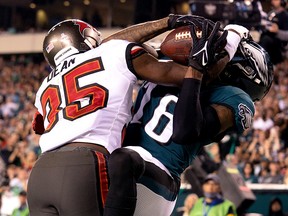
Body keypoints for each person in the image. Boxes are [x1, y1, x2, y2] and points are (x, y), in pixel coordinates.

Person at [27, 15, 230, 216]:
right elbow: (184, 76)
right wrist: (214, 57)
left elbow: (41, 125)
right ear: (86, 40)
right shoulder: (113, 52)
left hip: (40, 176)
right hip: (83, 164)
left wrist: (166, 24)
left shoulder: (44, 85)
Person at [103, 22, 273, 216]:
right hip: (120, 171)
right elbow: (107, 49)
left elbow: (184, 131)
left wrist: (197, 70)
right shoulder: (168, 62)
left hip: (159, 176)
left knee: (124, 159)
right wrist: (167, 22)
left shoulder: (234, 97)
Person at [259, 0, 288, 64]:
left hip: (278, 46)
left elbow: (286, 36)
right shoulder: (270, 13)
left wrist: (277, 31)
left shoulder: (285, 16)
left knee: (266, 40)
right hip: (266, 39)